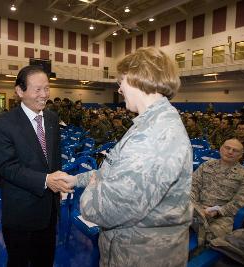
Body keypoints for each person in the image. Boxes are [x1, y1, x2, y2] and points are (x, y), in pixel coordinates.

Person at [65, 47, 193, 266]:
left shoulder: (154, 134)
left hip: (141, 255)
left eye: (121, 81)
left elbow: (107, 210)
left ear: (137, 78)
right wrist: (76, 180)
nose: (120, 89)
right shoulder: (149, 124)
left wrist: (91, 193)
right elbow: (113, 172)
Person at [0, 65, 74, 267]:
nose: (44, 95)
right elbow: (6, 167)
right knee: (19, 262)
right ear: (20, 91)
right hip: (21, 212)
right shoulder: (4, 123)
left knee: (44, 261)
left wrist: (59, 182)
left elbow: (53, 160)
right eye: (37, 89)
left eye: (46, 88)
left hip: (49, 212)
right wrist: (46, 180)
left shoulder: (53, 119)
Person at [191, 138, 244, 246]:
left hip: (223, 216)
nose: (230, 152)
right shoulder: (207, 165)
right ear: (221, 149)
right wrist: (195, 205)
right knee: (173, 225)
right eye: (227, 148)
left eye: (235, 150)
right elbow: (193, 186)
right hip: (197, 208)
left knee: (210, 238)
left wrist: (218, 211)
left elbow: (241, 201)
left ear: (241, 155)